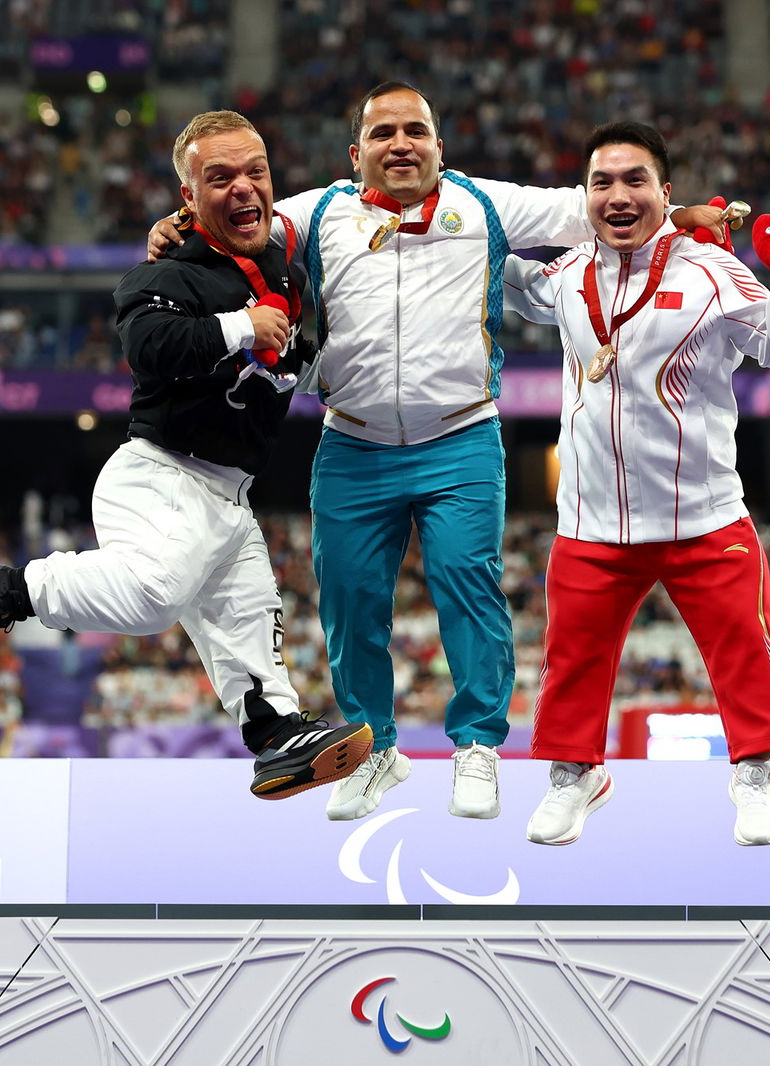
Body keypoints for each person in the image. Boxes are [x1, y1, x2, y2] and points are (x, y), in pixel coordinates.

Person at [148, 83, 728, 823]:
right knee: (351, 608)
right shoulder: (314, 214)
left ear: (438, 146)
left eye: (415, 130)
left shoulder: (481, 204)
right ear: (355, 153)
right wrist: (176, 226)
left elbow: (584, 205)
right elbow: (236, 222)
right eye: (383, 132)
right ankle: (375, 752)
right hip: (352, 442)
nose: (401, 144)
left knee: (469, 593)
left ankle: (478, 749)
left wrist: (678, 216)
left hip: (459, 437)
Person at [0, 110, 372, 802]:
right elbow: (148, 349)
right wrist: (240, 326)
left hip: (230, 498)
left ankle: (276, 739)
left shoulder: (285, 272)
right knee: (153, 599)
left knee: (249, 631)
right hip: (161, 475)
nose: (243, 188)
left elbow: (289, 359)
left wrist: (314, 363)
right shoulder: (165, 275)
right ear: (188, 197)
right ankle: (10, 589)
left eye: (254, 172)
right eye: (219, 177)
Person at [502, 121, 770, 847]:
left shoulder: (710, 270)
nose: (618, 196)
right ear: (584, 196)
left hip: (702, 515)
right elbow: (504, 278)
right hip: (592, 519)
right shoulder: (566, 273)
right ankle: (574, 776)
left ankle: (754, 778)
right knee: (571, 661)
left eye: (634, 181)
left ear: (666, 194)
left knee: (745, 649)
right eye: (602, 183)